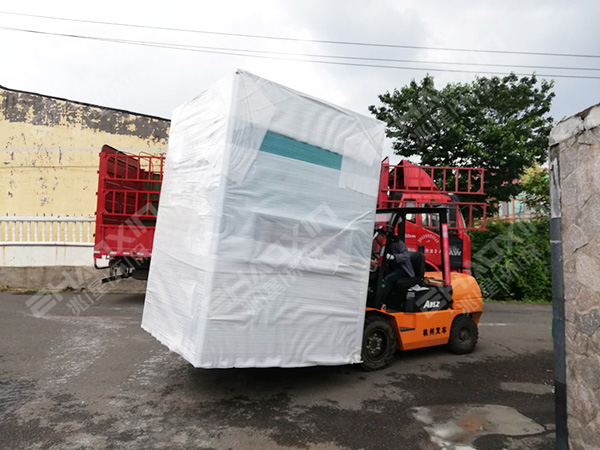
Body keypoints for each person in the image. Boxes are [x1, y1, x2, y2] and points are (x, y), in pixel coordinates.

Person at [374, 229, 415, 303]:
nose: (377, 242)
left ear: (382, 236)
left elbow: (406, 256)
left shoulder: (397, 243)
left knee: (388, 279)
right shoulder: (383, 247)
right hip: (390, 268)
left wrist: (394, 257)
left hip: (402, 269)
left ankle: (380, 302)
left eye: (377, 239)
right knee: (377, 276)